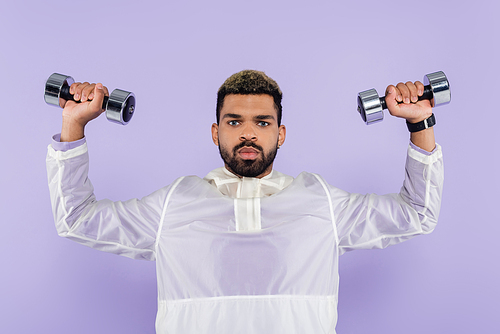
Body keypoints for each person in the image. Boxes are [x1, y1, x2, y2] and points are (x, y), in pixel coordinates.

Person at [46, 70, 443, 333]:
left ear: (281, 133)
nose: (248, 134)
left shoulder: (320, 199)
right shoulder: (174, 203)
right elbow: (76, 219)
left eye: (262, 123)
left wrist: (419, 122)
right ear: (216, 132)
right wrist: (73, 125)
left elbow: (416, 213)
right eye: (234, 122)